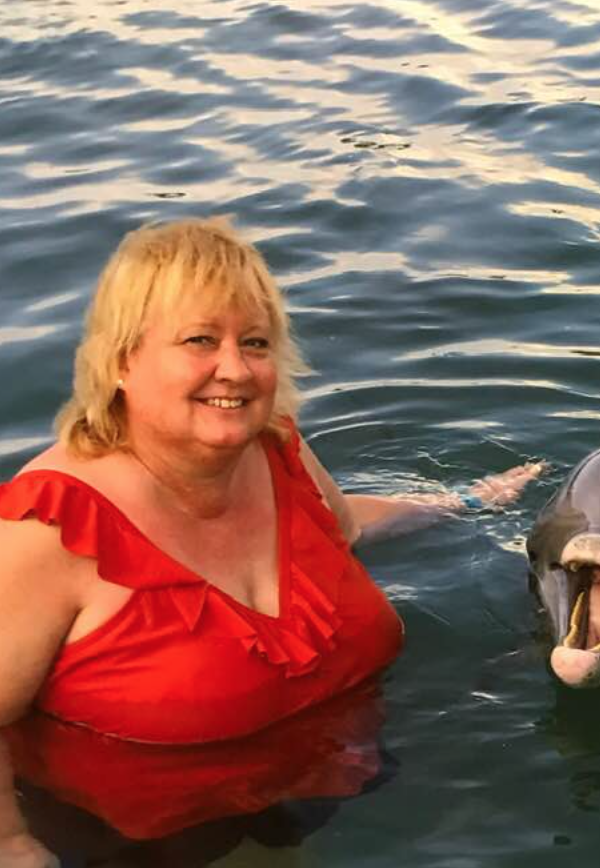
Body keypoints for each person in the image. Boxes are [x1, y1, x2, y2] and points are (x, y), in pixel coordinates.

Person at [0, 218, 542, 866]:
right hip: (145, 843)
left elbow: (342, 526)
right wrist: (12, 844)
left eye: (255, 342)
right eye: (200, 340)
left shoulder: (275, 447)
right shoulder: (47, 529)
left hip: (330, 787)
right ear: (122, 360)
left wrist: (465, 502)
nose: (235, 369)